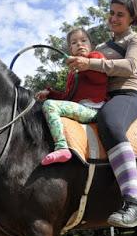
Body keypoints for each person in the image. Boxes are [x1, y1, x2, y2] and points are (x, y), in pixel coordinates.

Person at [67, 0, 137, 228]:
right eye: (111, 13)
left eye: (120, 14)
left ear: (132, 18)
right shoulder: (100, 46)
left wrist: (90, 63)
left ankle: (134, 203)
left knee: (109, 121)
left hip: (125, 96)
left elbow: (131, 66)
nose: (113, 18)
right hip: (99, 98)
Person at [36, 28, 107, 165]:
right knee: (44, 106)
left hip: (93, 109)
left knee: (50, 105)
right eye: (74, 43)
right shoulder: (72, 72)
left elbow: (101, 79)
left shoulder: (96, 57)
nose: (80, 44)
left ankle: (62, 147)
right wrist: (50, 93)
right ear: (70, 49)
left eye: (83, 40)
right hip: (79, 108)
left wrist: (85, 65)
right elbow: (67, 97)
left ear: (90, 44)